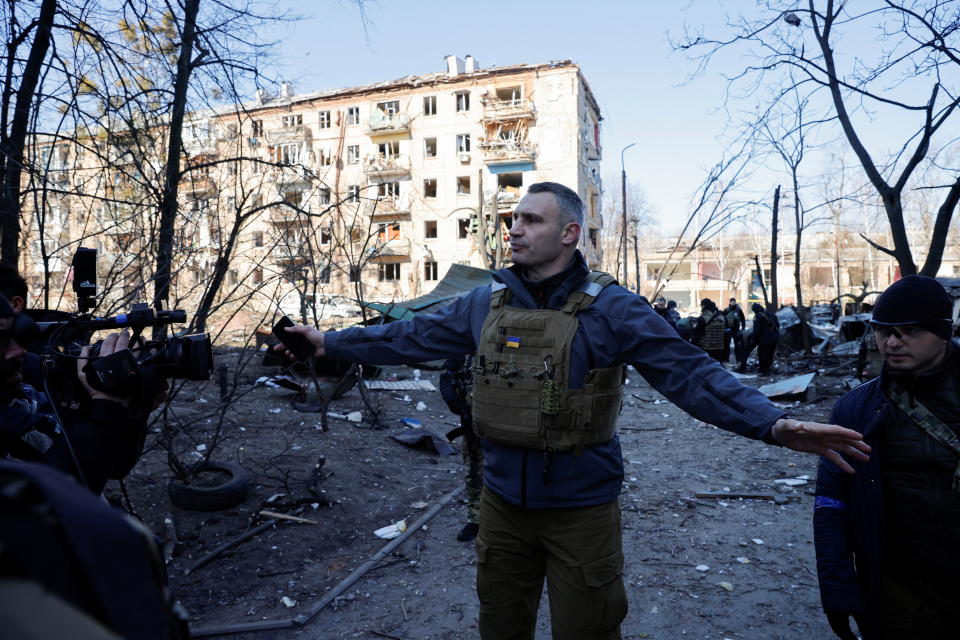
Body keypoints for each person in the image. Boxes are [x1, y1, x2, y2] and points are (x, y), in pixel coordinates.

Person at [278, 182, 870, 639]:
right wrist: (329, 342)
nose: (515, 230)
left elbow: (690, 373)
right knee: (500, 625)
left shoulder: (613, 308)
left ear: (569, 234)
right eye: (512, 221)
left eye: (531, 220)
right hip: (503, 504)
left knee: (587, 628)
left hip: (581, 510)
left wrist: (771, 422)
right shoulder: (482, 303)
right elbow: (406, 338)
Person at [815, 275, 960, 640]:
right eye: (883, 331)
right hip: (899, 589)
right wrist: (838, 591)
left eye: (909, 331)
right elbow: (832, 503)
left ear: (942, 332)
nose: (891, 343)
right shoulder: (856, 409)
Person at [0, 293, 143, 494]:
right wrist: (106, 405)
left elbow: (112, 467)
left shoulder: (24, 395)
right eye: (1, 342)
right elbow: (54, 504)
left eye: (15, 336)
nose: (19, 351)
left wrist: (129, 409)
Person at [439, 355, 483, 542]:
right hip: (473, 424)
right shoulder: (466, 350)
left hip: (508, 424)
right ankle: (476, 519)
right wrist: (462, 409)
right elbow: (447, 379)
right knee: (474, 471)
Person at [723, 297, 746, 363]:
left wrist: (743, 328)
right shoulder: (726, 310)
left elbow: (743, 319)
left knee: (737, 345)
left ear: (735, 302)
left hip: (736, 330)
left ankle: (738, 359)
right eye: (731, 301)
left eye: (734, 301)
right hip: (728, 330)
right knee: (727, 345)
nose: (733, 302)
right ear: (729, 302)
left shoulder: (739, 310)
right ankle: (726, 359)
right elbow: (723, 319)